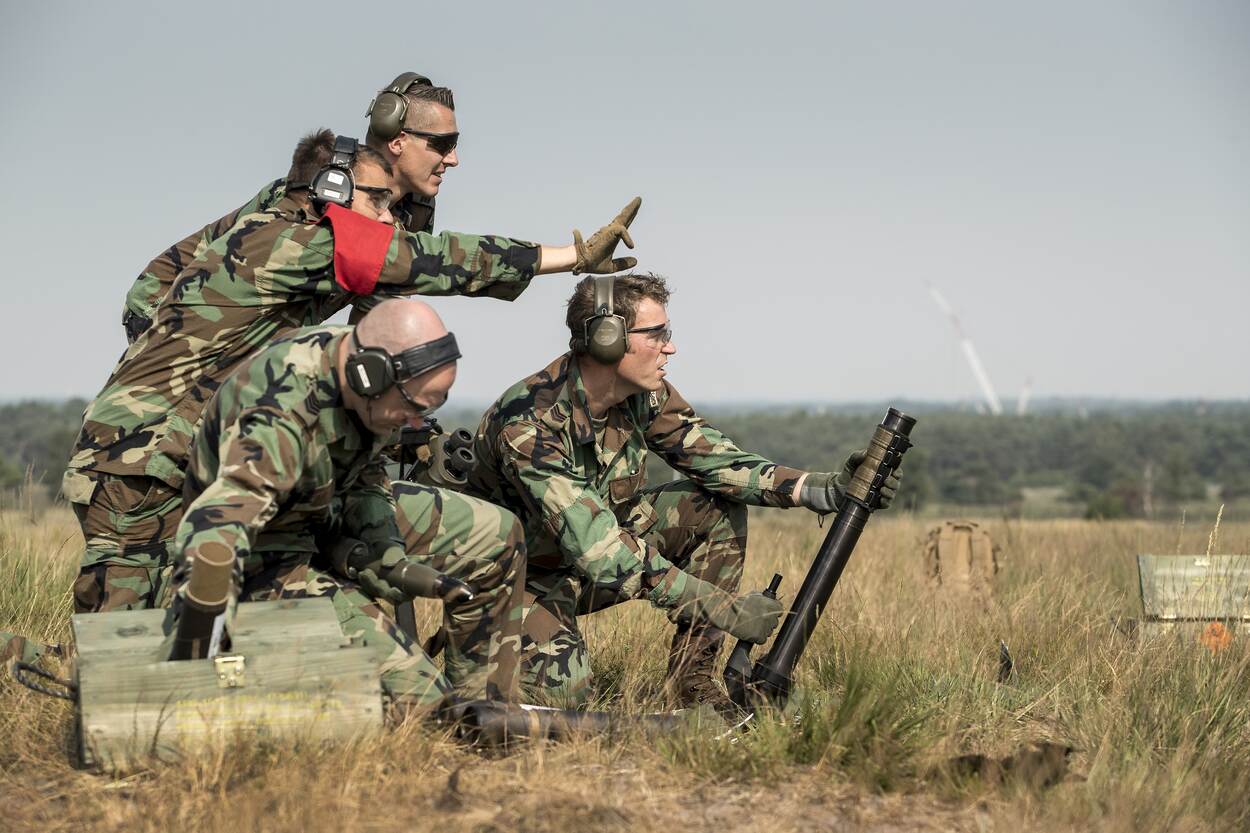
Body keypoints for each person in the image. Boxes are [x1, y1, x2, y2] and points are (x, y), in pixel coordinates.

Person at [65, 129, 639, 614]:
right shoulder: (292, 244)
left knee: (195, 623)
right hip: (138, 466)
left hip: (167, 453)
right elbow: (429, 261)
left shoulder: (268, 230)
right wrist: (567, 259)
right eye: (381, 203)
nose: (389, 220)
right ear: (332, 191)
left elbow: (148, 288)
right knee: (117, 642)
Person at [466, 274, 900, 708]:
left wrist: (825, 489)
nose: (669, 347)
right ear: (606, 340)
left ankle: (692, 683)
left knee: (710, 506)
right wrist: (721, 608)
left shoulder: (641, 394)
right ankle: (462, 655)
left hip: (578, 564)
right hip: (516, 579)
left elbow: (718, 462)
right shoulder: (531, 425)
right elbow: (601, 552)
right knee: (562, 697)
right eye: (657, 335)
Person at [173, 300, 525, 704]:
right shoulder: (279, 417)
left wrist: (384, 549)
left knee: (495, 533)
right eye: (413, 407)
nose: (416, 423)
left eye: (431, 408)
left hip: (322, 512)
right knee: (422, 702)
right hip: (268, 554)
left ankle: (490, 712)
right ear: (371, 375)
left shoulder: (364, 376)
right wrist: (204, 644)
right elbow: (216, 531)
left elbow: (368, 476)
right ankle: (445, 719)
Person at [121, 73, 457, 342]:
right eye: (442, 145)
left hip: (259, 336)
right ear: (398, 141)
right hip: (169, 306)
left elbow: (375, 319)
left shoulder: (414, 212)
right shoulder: (320, 194)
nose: (453, 160)